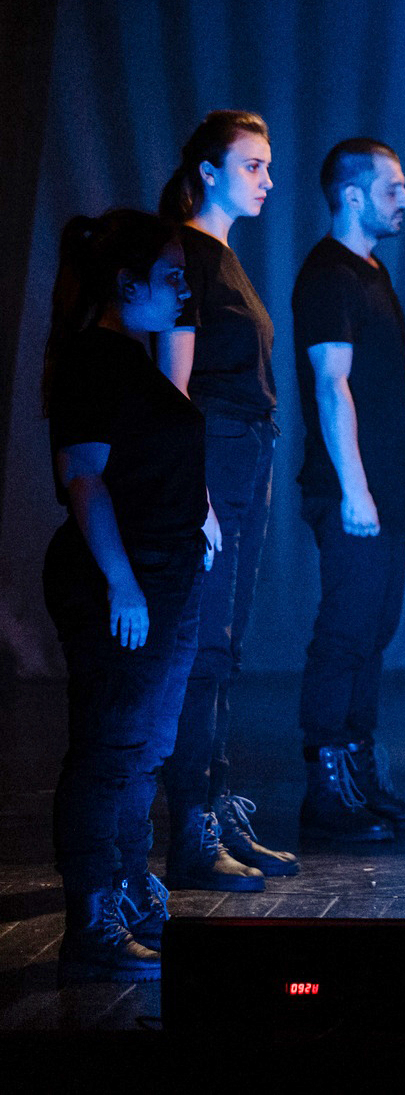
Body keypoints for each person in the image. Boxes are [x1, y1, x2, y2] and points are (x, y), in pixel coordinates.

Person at [43, 210, 207, 979]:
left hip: (166, 574)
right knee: (109, 749)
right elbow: (84, 480)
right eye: (170, 276)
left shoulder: (131, 359)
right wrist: (122, 583)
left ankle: (130, 888)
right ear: (127, 282)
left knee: (145, 746)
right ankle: (92, 918)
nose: (182, 289)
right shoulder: (93, 359)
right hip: (126, 578)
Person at [154, 110, 295, 891]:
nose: (268, 180)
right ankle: (191, 831)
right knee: (204, 648)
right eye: (253, 165)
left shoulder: (223, 257)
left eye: (268, 166)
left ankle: (217, 810)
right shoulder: (185, 254)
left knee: (225, 648)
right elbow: (173, 388)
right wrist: (196, 492)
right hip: (214, 454)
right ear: (208, 171)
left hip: (247, 455)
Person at [292, 138, 405, 839]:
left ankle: (360, 778)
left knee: (374, 632)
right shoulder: (329, 275)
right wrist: (354, 487)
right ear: (353, 195)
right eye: (392, 188)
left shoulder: (372, 272)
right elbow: (331, 384)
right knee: (345, 632)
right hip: (353, 490)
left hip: (386, 491)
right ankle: (327, 791)